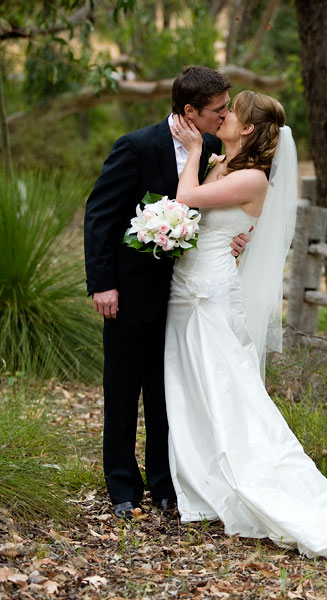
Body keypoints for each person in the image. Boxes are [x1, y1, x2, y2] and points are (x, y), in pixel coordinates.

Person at [163, 91, 327, 562]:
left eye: (231, 111)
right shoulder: (225, 165)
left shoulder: (252, 178)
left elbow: (187, 199)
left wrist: (192, 152)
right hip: (189, 286)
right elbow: (200, 220)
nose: (224, 115)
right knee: (193, 387)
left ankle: (266, 489)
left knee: (229, 387)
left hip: (209, 295)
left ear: (248, 129)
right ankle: (203, 486)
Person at [83, 66, 247, 519]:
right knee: (122, 388)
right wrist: (103, 283)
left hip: (184, 294)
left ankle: (165, 482)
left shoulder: (214, 150)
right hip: (130, 291)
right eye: (218, 109)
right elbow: (100, 216)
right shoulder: (135, 147)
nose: (225, 114)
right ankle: (121, 484)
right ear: (189, 111)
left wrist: (238, 236)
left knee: (166, 391)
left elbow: (221, 211)